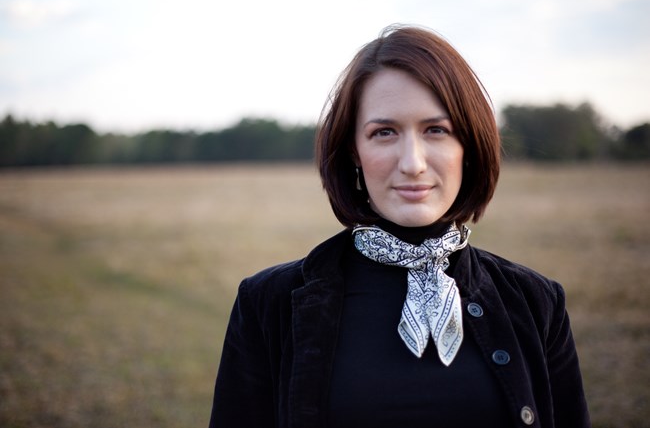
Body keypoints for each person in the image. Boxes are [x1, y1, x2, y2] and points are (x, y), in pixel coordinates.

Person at [208, 25, 590, 428]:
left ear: (469, 146)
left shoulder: (536, 303)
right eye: (384, 132)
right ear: (354, 150)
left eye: (436, 130)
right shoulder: (268, 304)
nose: (412, 163)